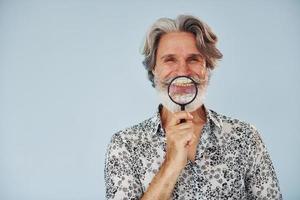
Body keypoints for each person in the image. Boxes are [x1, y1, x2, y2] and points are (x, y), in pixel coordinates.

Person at [104, 14, 282, 199]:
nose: (182, 71)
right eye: (170, 59)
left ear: (208, 67)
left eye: (193, 59)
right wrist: (171, 163)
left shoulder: (245, 137)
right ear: (154, 68)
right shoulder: (125, 145)